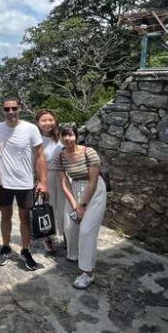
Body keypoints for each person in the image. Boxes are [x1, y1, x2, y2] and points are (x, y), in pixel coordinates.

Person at [0, 97, 47, 271]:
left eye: (13, 108)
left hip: (25, 182)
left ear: (19, 108)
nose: (10, 112)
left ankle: (25, 250)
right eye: (7, 109)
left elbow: (39, 156)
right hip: (4, 182)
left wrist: (43, 181)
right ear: (3, 110)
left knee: (24, 219)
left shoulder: (30, 129)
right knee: (5, 216)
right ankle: (6, 246)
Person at [57, 123, 107, 289]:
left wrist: (83, 205)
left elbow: (93, 181)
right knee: (70, 226)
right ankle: (75, 255)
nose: (67, 138)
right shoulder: (61, 156)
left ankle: (88, 272)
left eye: (70, 135)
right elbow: (64, 183)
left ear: (76, 136)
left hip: (94, 191)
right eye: (64, 135)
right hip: (76, 188)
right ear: (60, 137)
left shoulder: (89, 152)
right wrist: (74, 206)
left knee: (86, 230)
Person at [36, 109, 64, 256]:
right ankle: (47, 237)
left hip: (63, 176)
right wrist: (39, 181)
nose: (47, 123)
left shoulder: (60, 137)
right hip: (46, 177)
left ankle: (65, 233)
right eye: (44, 120)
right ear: (38, 123)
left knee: (63, 206)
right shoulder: (36, 140)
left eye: (50, 120)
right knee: (47, 208)